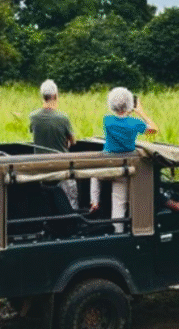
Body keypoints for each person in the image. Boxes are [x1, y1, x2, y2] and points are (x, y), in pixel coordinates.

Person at [90, 87, 158, 232]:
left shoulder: (107, 120)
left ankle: (94, 202)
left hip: (107, 168)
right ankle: (118, 231)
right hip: (123, 170)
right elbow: (154, 129)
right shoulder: (135, 123)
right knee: (119, 204)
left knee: (94, 175)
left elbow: (118, 119)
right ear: (129, 105)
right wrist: (140, 111)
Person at [29, 79, 78, 208]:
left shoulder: (33, 117)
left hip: (41, 168)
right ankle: (72, 215)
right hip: (61, 166)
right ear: (55, 95)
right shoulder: (63, 117)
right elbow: (73, 141)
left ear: (42, 96)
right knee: (71, 195)